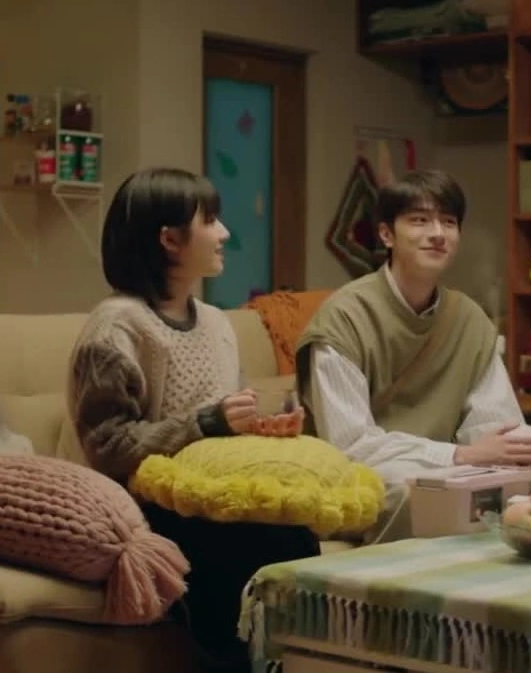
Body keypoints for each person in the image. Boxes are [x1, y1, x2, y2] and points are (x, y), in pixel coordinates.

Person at [66, 167, 311, 673]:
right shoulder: (115, 328)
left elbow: (223, 423)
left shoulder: (218, 322)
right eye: (211, 221)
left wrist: (261, 428)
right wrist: (207, 422)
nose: (224, 233)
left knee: (296, 533)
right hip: (146, 507)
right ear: (170, 239)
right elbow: (108, 447)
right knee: (246, 546)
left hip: (214, 493)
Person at [295, 168, 531, 542]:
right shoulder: (344, 318)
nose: (438, 234)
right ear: (387, 235)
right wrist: (459, 456)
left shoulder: (468, 318)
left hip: (451, 470)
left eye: (448, 222)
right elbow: (352, 445)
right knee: (414, 497)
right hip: (370, 473)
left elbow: (491, 423)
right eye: (420, 221)